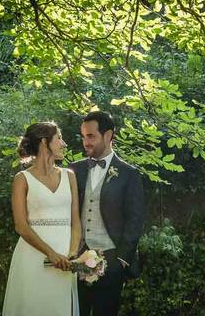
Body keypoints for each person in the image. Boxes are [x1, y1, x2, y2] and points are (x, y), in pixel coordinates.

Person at [2, 121, 81, 316]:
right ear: (45, 142)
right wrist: (50, 253)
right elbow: (21, 226)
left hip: (64, 261)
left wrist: (71, 254)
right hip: (33, 258)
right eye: (59, 138)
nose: (64, 144)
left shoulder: (69, 176)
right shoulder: (22, 179)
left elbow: (76, 222)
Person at [71, 111, 145, 316]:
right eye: (83, 136)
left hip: (113, 261)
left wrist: (121, 260)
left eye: (91, 136)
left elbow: (135, 219)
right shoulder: (74, 170)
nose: (85, 142)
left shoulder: (129, 174)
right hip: (78, 259)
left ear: (108, 135)